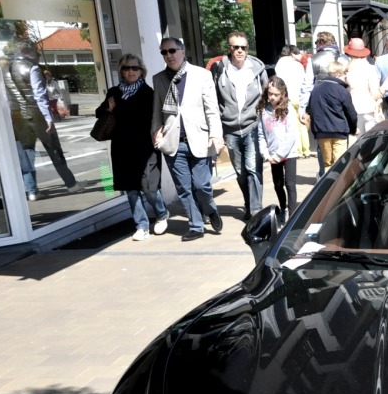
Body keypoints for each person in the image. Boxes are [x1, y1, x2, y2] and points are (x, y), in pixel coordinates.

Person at [151, 37, 223, 241]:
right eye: (164, 52)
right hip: (174, 142)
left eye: (172, 50)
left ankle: (210, 209)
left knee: (201, 185)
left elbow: (212, 109)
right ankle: (196, 225)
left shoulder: (201, 75)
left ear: (182, 51)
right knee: (184, 188)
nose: (168, 56)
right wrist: (155, 132)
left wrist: (216, 135)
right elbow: (157, 110)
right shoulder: (159, 79)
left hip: (199, 138)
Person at [96, 53, 168, 240]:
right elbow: (99, 112)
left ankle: (161, 214)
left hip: (145, 147)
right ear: (121, 71)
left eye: (135, 68)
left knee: (149, 187)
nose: (131, 71)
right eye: (127, 68)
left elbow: (158, 117)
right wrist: (108, 108)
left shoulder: (148, 93)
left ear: (141, 71)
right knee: (131, 188)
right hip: (122, 148)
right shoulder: (114, 92)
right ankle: (142, 226)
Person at [3, 39, 82, 201]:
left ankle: (32, 191)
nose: (38, 55)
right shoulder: (32, 68)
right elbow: (39, 95)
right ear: (27, 52)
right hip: (36, 113)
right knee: (54, 150)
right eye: (35, 51)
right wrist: (48, 117)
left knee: (26, 154)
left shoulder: (6, 70)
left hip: (17, 115)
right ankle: (71, 184)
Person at [211, 31, 270, 218]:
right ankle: (248, 203)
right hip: (229, 128)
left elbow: (267, 96)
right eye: (235, 47)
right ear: (229, 48)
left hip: (252, 125)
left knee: (253, 168)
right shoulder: (219, 68)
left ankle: (255, 210)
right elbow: (212, 98)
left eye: (243, 47)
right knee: (240, 172)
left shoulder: (257, 68)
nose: (239, 51)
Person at [257, 77, 300, 222]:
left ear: (282, 93)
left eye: (276, 94)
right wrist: (266, 153)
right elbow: (261, 134)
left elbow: (291, 135)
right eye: (270, 94)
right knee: (277, 184)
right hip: (272, 154)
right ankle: (283, 208)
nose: (272, 97)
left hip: (288, 153)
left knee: (290, 184)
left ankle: (293, 214)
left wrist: (280, 154)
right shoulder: (263, 110)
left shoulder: (289, 110)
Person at [307, 60, 357, 170]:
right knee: (339, 165)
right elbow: (351, 113)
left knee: (327, 165)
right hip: (339, 131)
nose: (345, 77)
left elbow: (310, 109)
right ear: (339, 74)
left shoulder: (316, 89)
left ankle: (327, 185)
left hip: (322, 131)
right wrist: (353, 129)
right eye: (345, 74)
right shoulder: (342, 91)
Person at [343, 37, 382, 133]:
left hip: (352, 110)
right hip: (369, 109)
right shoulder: (370, 69)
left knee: (355, 143)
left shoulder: (346, 70)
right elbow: (375, 93)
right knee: (370, 142)